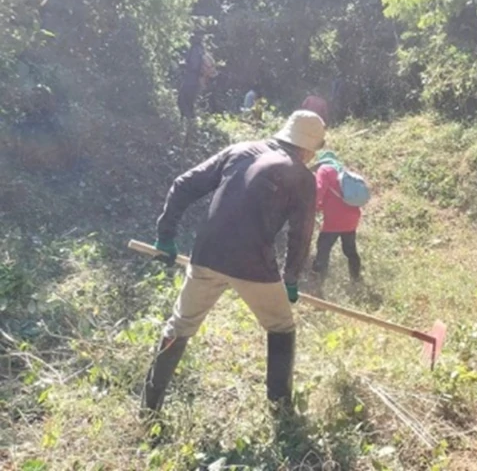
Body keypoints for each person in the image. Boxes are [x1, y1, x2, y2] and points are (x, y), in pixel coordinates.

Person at [141, 110, 326, 416]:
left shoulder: (240, 149)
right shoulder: (302, 176)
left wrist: (166, 236)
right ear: (307, 148)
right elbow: (301, 234)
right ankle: (280, 409)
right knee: (281, 325)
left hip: (206, 254)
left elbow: (184, 183)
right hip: (253, 263)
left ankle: (148, 408)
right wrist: (291, 278)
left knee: (180, 325)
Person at [311, 150, 363, 285]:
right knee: (350, 249)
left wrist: (312, 208)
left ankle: (318, 280)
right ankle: (356, 278)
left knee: (323, 247)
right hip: (352, 217)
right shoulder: (343, 171)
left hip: (335, 219)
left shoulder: (324, 170)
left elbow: (319, 190)